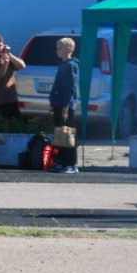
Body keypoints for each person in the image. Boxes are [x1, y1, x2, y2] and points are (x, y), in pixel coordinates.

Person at [48, 37, 79, 173]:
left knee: (68, 134)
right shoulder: (63, 65)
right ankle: (61, 161)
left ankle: (71, 163)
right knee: (59, 134)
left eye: (60, 48)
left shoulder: (71, 65)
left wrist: (66, 105)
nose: (57, 51)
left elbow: (71, 87)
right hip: (58, 104)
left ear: (68, 49)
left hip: (65, 105)